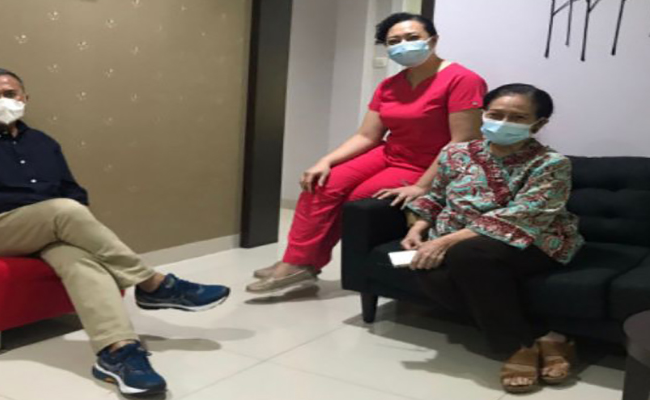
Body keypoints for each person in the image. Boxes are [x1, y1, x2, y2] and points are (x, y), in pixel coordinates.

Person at [0, 68, 231, 396]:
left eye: (10, 94)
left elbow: (73, 191)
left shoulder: (42, 142)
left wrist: (49, 209)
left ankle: (118, 351)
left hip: (40, 228)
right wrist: (47, 206)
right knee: (63, 210)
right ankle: (152, 283)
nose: (3, 100)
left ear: (25, 98)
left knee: (79, 257)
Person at [246, 12, 488, 294]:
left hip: (426, 164)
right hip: (390, 153)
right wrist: (325, 161)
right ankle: (297, 261)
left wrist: (422, 186)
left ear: (432, 41)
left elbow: (462, 141)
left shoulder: (463, 79)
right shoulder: (389, 85)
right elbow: (367, 136)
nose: (403, 45)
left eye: (412, 38)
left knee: (355, 201)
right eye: (394, 41)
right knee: (321, 184)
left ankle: (304, 264)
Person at [403, 83, 584, 393]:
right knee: (428, 271)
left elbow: (525, 214)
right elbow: (436, 196)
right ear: (483, 114)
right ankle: (547, 337)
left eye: (517, 117)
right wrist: (417, 228)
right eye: (496, 115)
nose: (503, 123)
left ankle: (517, 346)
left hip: (536, 240)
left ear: (538, 124)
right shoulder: (455, 153)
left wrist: (445, 241)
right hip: (463, 240)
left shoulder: (551, 164)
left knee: (467, 255)